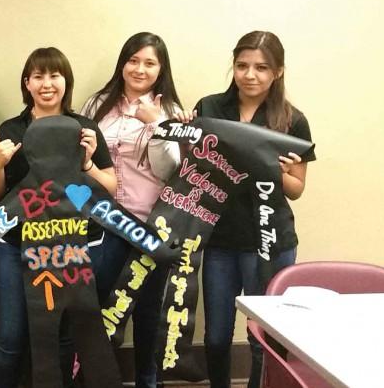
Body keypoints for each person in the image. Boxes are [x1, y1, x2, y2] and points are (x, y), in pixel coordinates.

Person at [0, 47, 117, 388]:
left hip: (70, 250)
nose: (47, 84)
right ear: (26, 83)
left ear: (65, 81)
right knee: (11, 337)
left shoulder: (84, 129)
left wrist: (87, 163)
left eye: (54, 75)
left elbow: (110, 189)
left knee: (63, 336)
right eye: (38, 76)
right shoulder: (11, 128)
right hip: (17, 248)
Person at [191, 31, 314, 388]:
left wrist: (274, 171)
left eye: (261, 67)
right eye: (242, 65)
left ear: (277, 72)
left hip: (269, 239)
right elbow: (193, 167)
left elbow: (297, 189)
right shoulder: (210, 108)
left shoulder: (292, 120)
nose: (250, 75)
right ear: (233, 66)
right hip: (219, 239)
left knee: (263, 337)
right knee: (215, 335)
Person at [80, 32, 183, 388]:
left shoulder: (170, 111)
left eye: (149, 62)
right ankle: (97, 376)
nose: (140, 69)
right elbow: (80, 160)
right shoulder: (97, 105)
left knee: (148, 308)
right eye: (133, 60)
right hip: (104, 221)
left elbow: (170, 170)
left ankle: (146, 379)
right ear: (123, 64)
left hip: (150, 222)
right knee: (97, 303)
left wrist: (156, 125)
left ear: (161, 69)